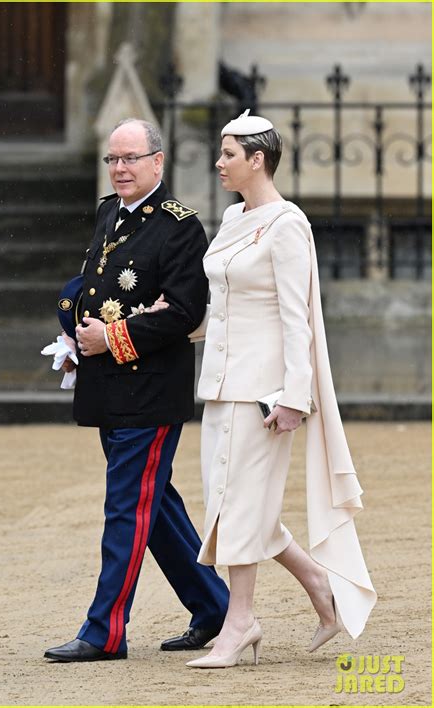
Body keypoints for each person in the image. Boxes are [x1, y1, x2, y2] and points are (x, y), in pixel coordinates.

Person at [181, 110, 377, 668]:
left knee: (240, 506)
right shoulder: (231, 218)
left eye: (228, 154)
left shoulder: (288, 224)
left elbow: (298, 318)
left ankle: (239, 623)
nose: (219, 163)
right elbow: (220, 302)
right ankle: (323, 590)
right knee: (231, 501)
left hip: (265, 389)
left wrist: (296, 396)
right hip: (220, 382)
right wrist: (166, 321)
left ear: (257, 159)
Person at [44, 118, 229, 663]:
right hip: (109, 388)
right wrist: (73, 327)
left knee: (126, 507)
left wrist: (112, 337)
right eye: (113, 159)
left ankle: (105, 631)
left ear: (158, 162)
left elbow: (186, 313)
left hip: (150, 393)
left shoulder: (181, 227)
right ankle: (214, 605)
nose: (120, 169)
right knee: (156, 505)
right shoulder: (109, 211)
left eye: (130, 159)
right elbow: (95, 284)